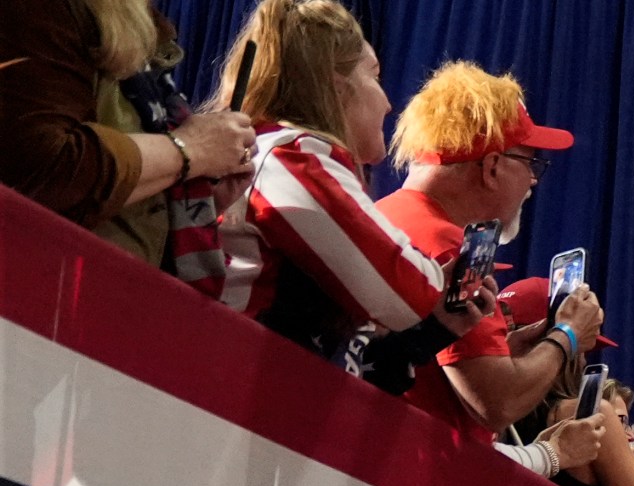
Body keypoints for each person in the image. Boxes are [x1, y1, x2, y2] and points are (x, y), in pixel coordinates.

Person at [209, 0, 499, 377]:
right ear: (337, 86)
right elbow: (409, 290)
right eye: (375, 76)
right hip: (218, 394)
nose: (388, 102)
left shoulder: (289, 158)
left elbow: (354, 362)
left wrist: (435, 327)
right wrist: (434, 283)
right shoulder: (289, 156)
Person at [375, 61, 587, 441]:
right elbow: (495, 403)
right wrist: (567, 334)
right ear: (491, 167)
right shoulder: (450, 245)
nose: (534, 179)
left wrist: (509, 349)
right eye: (530, 162)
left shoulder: (385, 214)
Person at [0, 0, 254, 268]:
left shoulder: (129, 19)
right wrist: (190, 149)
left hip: (99, 289)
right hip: (46, 291)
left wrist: (190, 200)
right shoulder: (40, 11)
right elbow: (43, 170)